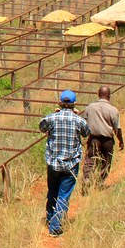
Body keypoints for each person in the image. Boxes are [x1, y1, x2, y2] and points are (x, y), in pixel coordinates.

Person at [38, 89, 89, 236]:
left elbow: (42, 126)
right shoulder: (78, 120)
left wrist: (56, 113)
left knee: (52, 191)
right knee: (63, 195)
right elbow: (87, 132)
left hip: (53, 163)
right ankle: (55, 227)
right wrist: (76, 115)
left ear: (60, 102)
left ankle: (50, 217)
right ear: (74, 103)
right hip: (71, 164)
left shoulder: (52, 118)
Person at [81, 85, 124, 191]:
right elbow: (117, 128)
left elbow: (82, 122)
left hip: (93, 138)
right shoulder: (113, 110)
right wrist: (121, 141)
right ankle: (100, 182)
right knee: (106, 162)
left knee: (90, 160)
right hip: (107, 140)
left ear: (98, 94)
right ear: (109, 96)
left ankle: (87, 178)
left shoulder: (90, 107)